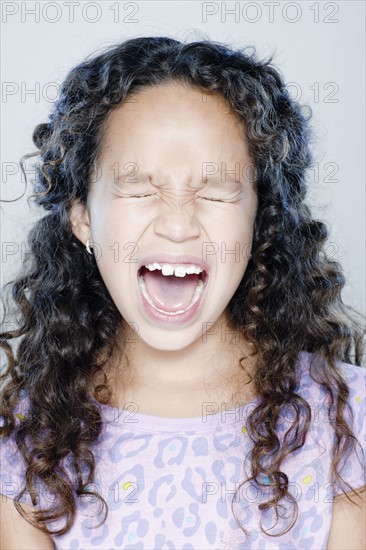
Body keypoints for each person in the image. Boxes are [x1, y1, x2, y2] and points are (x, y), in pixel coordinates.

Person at [0, 35, 365, 550]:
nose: (177, 225)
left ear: (259, 217)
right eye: (138, 188)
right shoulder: (23, 442)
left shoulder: (347, 419)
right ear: (82, 217)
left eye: (215, 190)